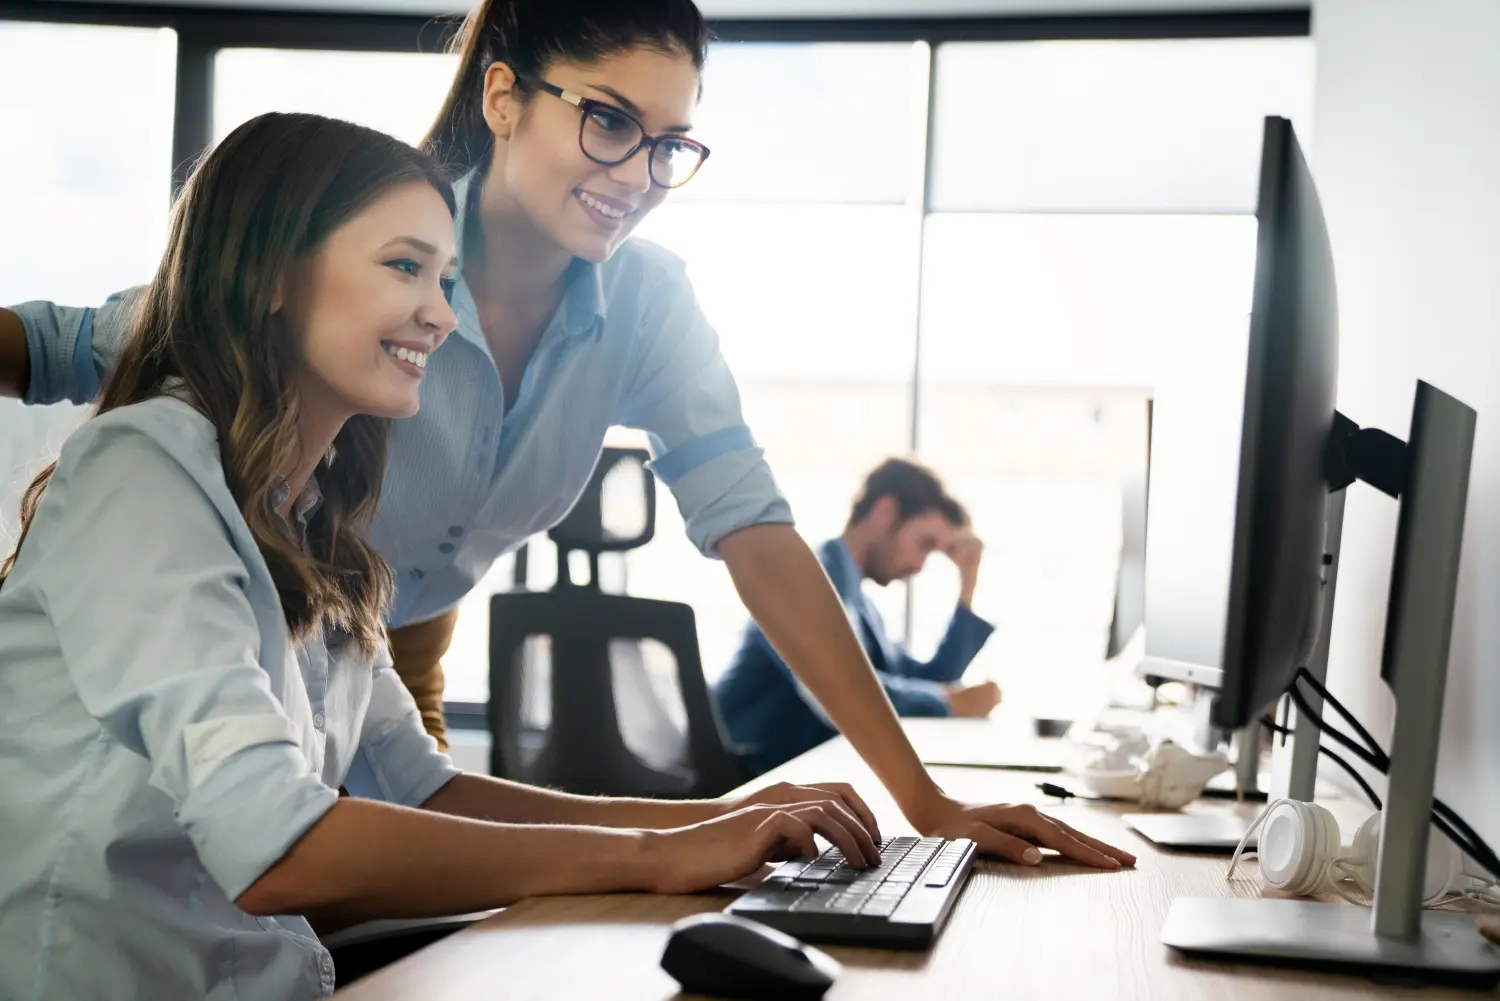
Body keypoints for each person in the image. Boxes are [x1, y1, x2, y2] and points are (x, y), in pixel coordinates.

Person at [0, 0, 1137, 869]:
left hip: (371, 637)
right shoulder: (349, 257)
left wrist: (913, 798)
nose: (640, 174)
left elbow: (757, 531)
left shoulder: (644, 305)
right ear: (505, 97)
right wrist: (667, 851)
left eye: (670, 142)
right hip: (225, 624)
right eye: (608, 121)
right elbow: (84, 335)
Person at [0, 112, 888, 1001]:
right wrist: (658, 855)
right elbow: (276, 844)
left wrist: (721, 819)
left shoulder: (311, 521)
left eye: (446, 275)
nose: (440, 310)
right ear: (272, 278)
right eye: (404, 267)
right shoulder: (145, 475)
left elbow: (423, 789)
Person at [715, 459, 1004, 773]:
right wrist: (947, 703)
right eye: (924, 544)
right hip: (751, 779)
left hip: (805, 780)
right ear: (885, 512)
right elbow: (839, 690)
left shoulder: (860, 605)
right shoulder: (806, 582)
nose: (920, 566)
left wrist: (968, 582)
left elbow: (929, 680)